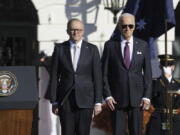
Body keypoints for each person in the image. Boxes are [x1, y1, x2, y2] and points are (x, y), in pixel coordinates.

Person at [49, 18, 103, 135]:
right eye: (73, 30)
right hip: (65, 100)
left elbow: (97, 77)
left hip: (86, 101)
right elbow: (54, 77)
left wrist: (98, 101)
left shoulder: (92, 49)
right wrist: (54, 101)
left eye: (78, 30)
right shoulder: (59, 49)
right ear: (67, 31)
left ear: (83, 31)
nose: (76, 32)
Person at [101, 13, 152, 135]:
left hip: (137, 99)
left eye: (130, 26)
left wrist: (146, 96)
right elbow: (103, 73)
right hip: (116, 100)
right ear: (119, 27)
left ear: (134, 27)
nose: (127, 29)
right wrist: (107, 95)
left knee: (136, 132)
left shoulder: (143, 45)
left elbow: (148, 74)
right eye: (124, 26)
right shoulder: (110, 45)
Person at [146, 55, 180, 135]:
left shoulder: (178, 85)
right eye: (164, 65)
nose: (167, 67)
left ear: (173, 67)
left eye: (169, 65)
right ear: (160, 66)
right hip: (158, 119)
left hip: (175, 120)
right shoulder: (154, 83)